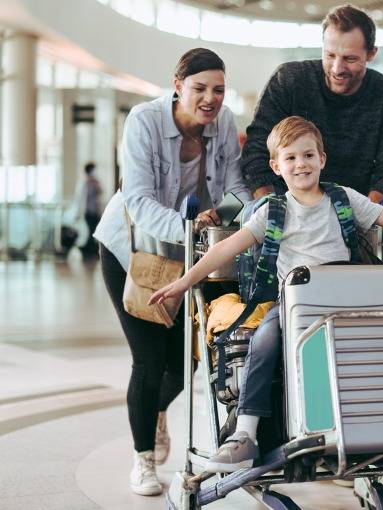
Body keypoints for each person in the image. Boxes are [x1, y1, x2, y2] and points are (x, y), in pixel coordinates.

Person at [149, 116, 383, 473]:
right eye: (290, 158)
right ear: (276, 166)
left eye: (308, 156)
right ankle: (246, 433)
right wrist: (184, 281)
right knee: (265, 339)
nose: (300, 164)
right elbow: (223, 252)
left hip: (347, 297)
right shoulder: (272, 211)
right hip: (294, 304)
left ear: (322, 158)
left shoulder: (342, 199)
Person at [93, 48, 252, 496]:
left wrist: (256, 214)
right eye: (200, 88)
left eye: (218, 90)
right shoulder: (144, 121)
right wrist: (190, 228)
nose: (210, 99)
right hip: (133, 251)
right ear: (177, 84)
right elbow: (139, 201)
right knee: (148, 359)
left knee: (187, 362)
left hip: (186, 257)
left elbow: (235, 185)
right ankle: (143, 460)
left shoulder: (223, 123)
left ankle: (155, 411)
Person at [240, 4, 383, 203]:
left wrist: (363, 216)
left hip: (355, 212)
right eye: (330, 55)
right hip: (286, 210)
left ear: (371, 54)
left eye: (350, 58)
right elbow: (256, 151)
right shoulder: (289, 80)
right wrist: (273, 209)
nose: (337, 68)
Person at [78, 162, 102, 258]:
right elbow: (82, 199)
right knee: (91, 231)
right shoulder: (85, 182)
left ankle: (88, 250)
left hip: (95, 211)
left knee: (93, 231)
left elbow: (100, 192)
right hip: (88, 212)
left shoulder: (95, 182)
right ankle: (87, 250)